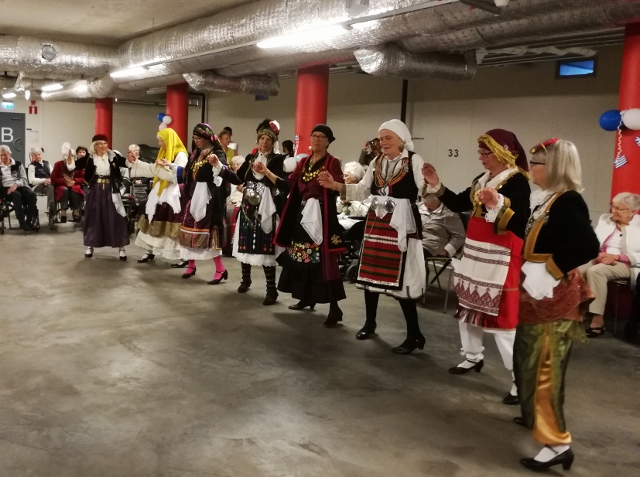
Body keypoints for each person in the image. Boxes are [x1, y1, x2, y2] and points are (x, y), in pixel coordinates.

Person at [422, 129, 530, 404]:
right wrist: (436, 184)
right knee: (468, 306)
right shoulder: (481, 179)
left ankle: (519, 380)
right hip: (474, 250)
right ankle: (472, 356)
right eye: (480, 152)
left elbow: (519, 220)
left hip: (501, 254)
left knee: (502, 317)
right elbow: (460, 202)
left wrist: (497, 203)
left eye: (486, 152)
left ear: (503, 152)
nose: (481, 157)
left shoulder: (518, 181)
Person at [514, 138, 599, 472]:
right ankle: (537, 420)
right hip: (535, 295)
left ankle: (557, 443)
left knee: (544, 369)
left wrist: (550, 270)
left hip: (552, 297)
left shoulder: (567, 201)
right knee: (529, 362)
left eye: (536, 163)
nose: (530, 169)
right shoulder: (546, 200)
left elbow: (587, 245)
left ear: (554, 168)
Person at [319, 119, 427, 354]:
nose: (383, 142)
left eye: (389, 138)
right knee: (370, 274)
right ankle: (370, 323)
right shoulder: (376, 162)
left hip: (401, 225)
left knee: (403, 280)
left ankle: (414, 333)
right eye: (381, 138)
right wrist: (335, 185)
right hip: (377, 223)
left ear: (401, 139)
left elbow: (426, 190)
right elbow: (363, 190)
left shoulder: (414, 161)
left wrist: (432, 191)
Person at [269, 124, 347, 326]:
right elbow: (289, 184)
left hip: (322, 217)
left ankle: (335, 308)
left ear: (328, 141)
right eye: (314, 135)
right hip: (302, 216)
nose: (317, 139)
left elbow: (339, 188)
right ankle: (306, 297)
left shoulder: (332, 162)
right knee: (302, 257)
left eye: (321, 136)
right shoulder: (304, 162)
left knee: (324, 261)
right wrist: (268, 173)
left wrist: (331, 184)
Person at [223, 120, 288, 304]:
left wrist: (266, 172)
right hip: (247, 208)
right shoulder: (251, 158)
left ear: (273, 142)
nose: (264, 142)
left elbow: (283, 185)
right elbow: (237, 178)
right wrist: (219, 168)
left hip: (266, 209)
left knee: (266, 248)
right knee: (245, 244)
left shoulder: (278, 160)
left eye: (268, 139)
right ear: (257, 140)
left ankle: (271, 290)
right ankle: (245, 280)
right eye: (262, 138)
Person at [578, 192, 640, 337]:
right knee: (577, 269)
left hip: (628, 263)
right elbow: (594, 242)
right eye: (613, 206)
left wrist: (617, 257)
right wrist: (599, 255)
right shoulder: (605, 219)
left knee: (596, 271)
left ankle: (597, 320)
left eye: (619, 208)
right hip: (601, 258)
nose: (613, 211)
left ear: (633, 212)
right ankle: (576, 311)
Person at [178, 123, 229, 284]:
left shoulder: (218, 153)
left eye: (199, 138)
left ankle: (220, 269)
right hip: (194, 196)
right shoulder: (196, 154)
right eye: (194, 138)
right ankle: (191, 265)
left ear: (208, 138)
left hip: (210, 200)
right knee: (189, 230)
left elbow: (222, 173)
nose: (196, 141)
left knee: (210, 234)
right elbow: (188, 173)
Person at [132, 128, 189, 263]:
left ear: (168, 140)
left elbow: (179, 175)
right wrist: (137, 163)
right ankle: (149, 250)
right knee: (152, 219)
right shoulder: (163, 152)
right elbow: (154, 169)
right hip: (159, 192)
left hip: (173, 195)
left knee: (172, 225)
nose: (159, 144)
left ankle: (181, 255)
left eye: (161, 141)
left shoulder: (181, 154)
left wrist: (162, 169)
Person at [71, 134, 129, 260]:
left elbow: (126, 163)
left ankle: (121, 247)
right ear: (95, 146)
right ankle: (90, 245)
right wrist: (68, 158)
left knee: (116, 216)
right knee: (93, 216)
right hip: (95, 189)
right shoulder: (89, 158)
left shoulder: (113, 156)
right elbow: (73, 166)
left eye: (105, 143)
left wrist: (131, 159)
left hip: (111, 189)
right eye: (100, 144)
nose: (103, 146)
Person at [0, 145, 37, 233]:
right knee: (16, 195)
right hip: (5, 189)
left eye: (5, 154)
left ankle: (29, 220)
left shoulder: (18, 164)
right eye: (1, 155)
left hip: (19, 186)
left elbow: (24, 178)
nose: (3, 157)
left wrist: (16, 184)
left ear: (10, 154)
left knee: (31, 194)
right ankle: (22, 222)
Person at [419, 194, 466, 259]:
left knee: (413, 254)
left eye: (428, 203)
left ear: (437, 201)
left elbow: (459, 236)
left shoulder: (449, 214)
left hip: (432, 246)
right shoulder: (419, 207)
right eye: (424, 202)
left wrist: (447, 250)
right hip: (417, 242)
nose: (425, 205)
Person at [50, 147, 84, 223]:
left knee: (75, 189)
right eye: (68, 156)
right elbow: (53, 178)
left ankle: (75, 211)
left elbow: (83, 178)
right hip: (62, 185)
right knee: (64, 190)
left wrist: (74, 181)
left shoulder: (79, 165)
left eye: (72, 156)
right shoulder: (58, 164)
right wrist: (64, 181)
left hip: (74, 184)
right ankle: (63, 212)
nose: (69, 158)